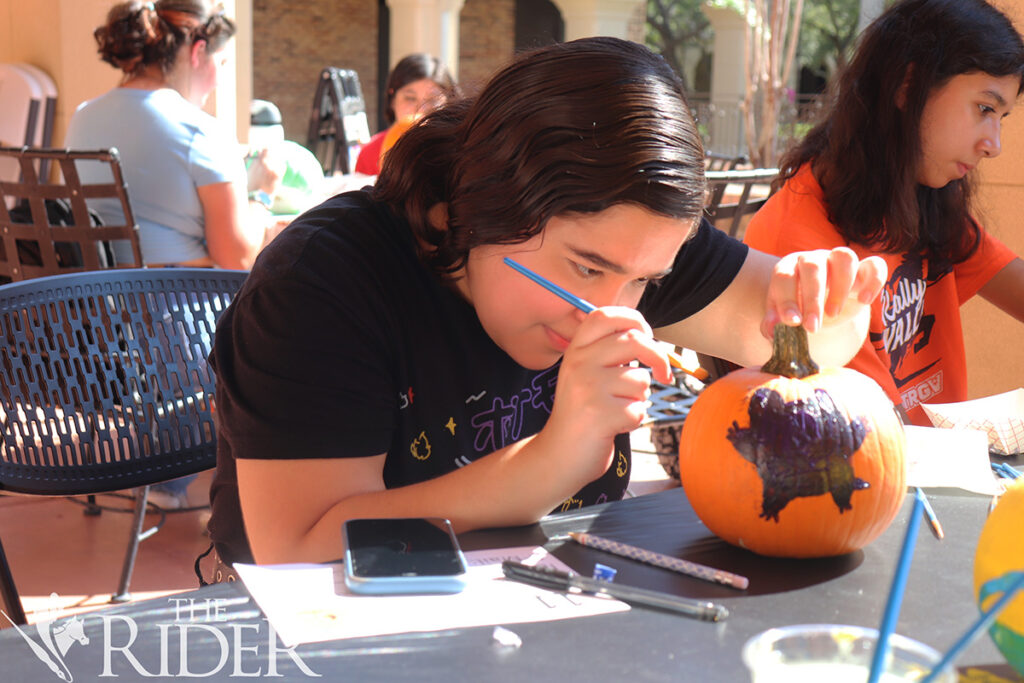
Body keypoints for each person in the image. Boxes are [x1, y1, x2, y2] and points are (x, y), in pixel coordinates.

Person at [204, 37, 885, 571]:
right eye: (586, 268)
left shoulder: (628, 241)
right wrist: (552, 461)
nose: (607, 308)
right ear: (483, 201)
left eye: (645, 280)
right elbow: (293, 544)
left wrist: (827, 302)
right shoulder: (325, 282)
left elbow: (804, 341)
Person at [744, 0, 1024, 426]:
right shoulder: (801, 241)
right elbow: (878, 432)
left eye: (1001, 117)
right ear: (908, 87)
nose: (994, 143)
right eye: (985, 109)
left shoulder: (922, 198)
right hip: (883, 471)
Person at [65, 0, 279, 271]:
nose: (220, 79)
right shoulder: (201, 131)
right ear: (198, 51)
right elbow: (237, 259)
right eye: (222, 62)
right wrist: (262, 193)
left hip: (95, 306)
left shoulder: (82, 116)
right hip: (176, 306)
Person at [353, 53, 459, 176]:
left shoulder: (463, 151)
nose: (421, 109)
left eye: (432, 100)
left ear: (450, 102)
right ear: (392, 100)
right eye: (410, 98)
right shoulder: (372, 153)